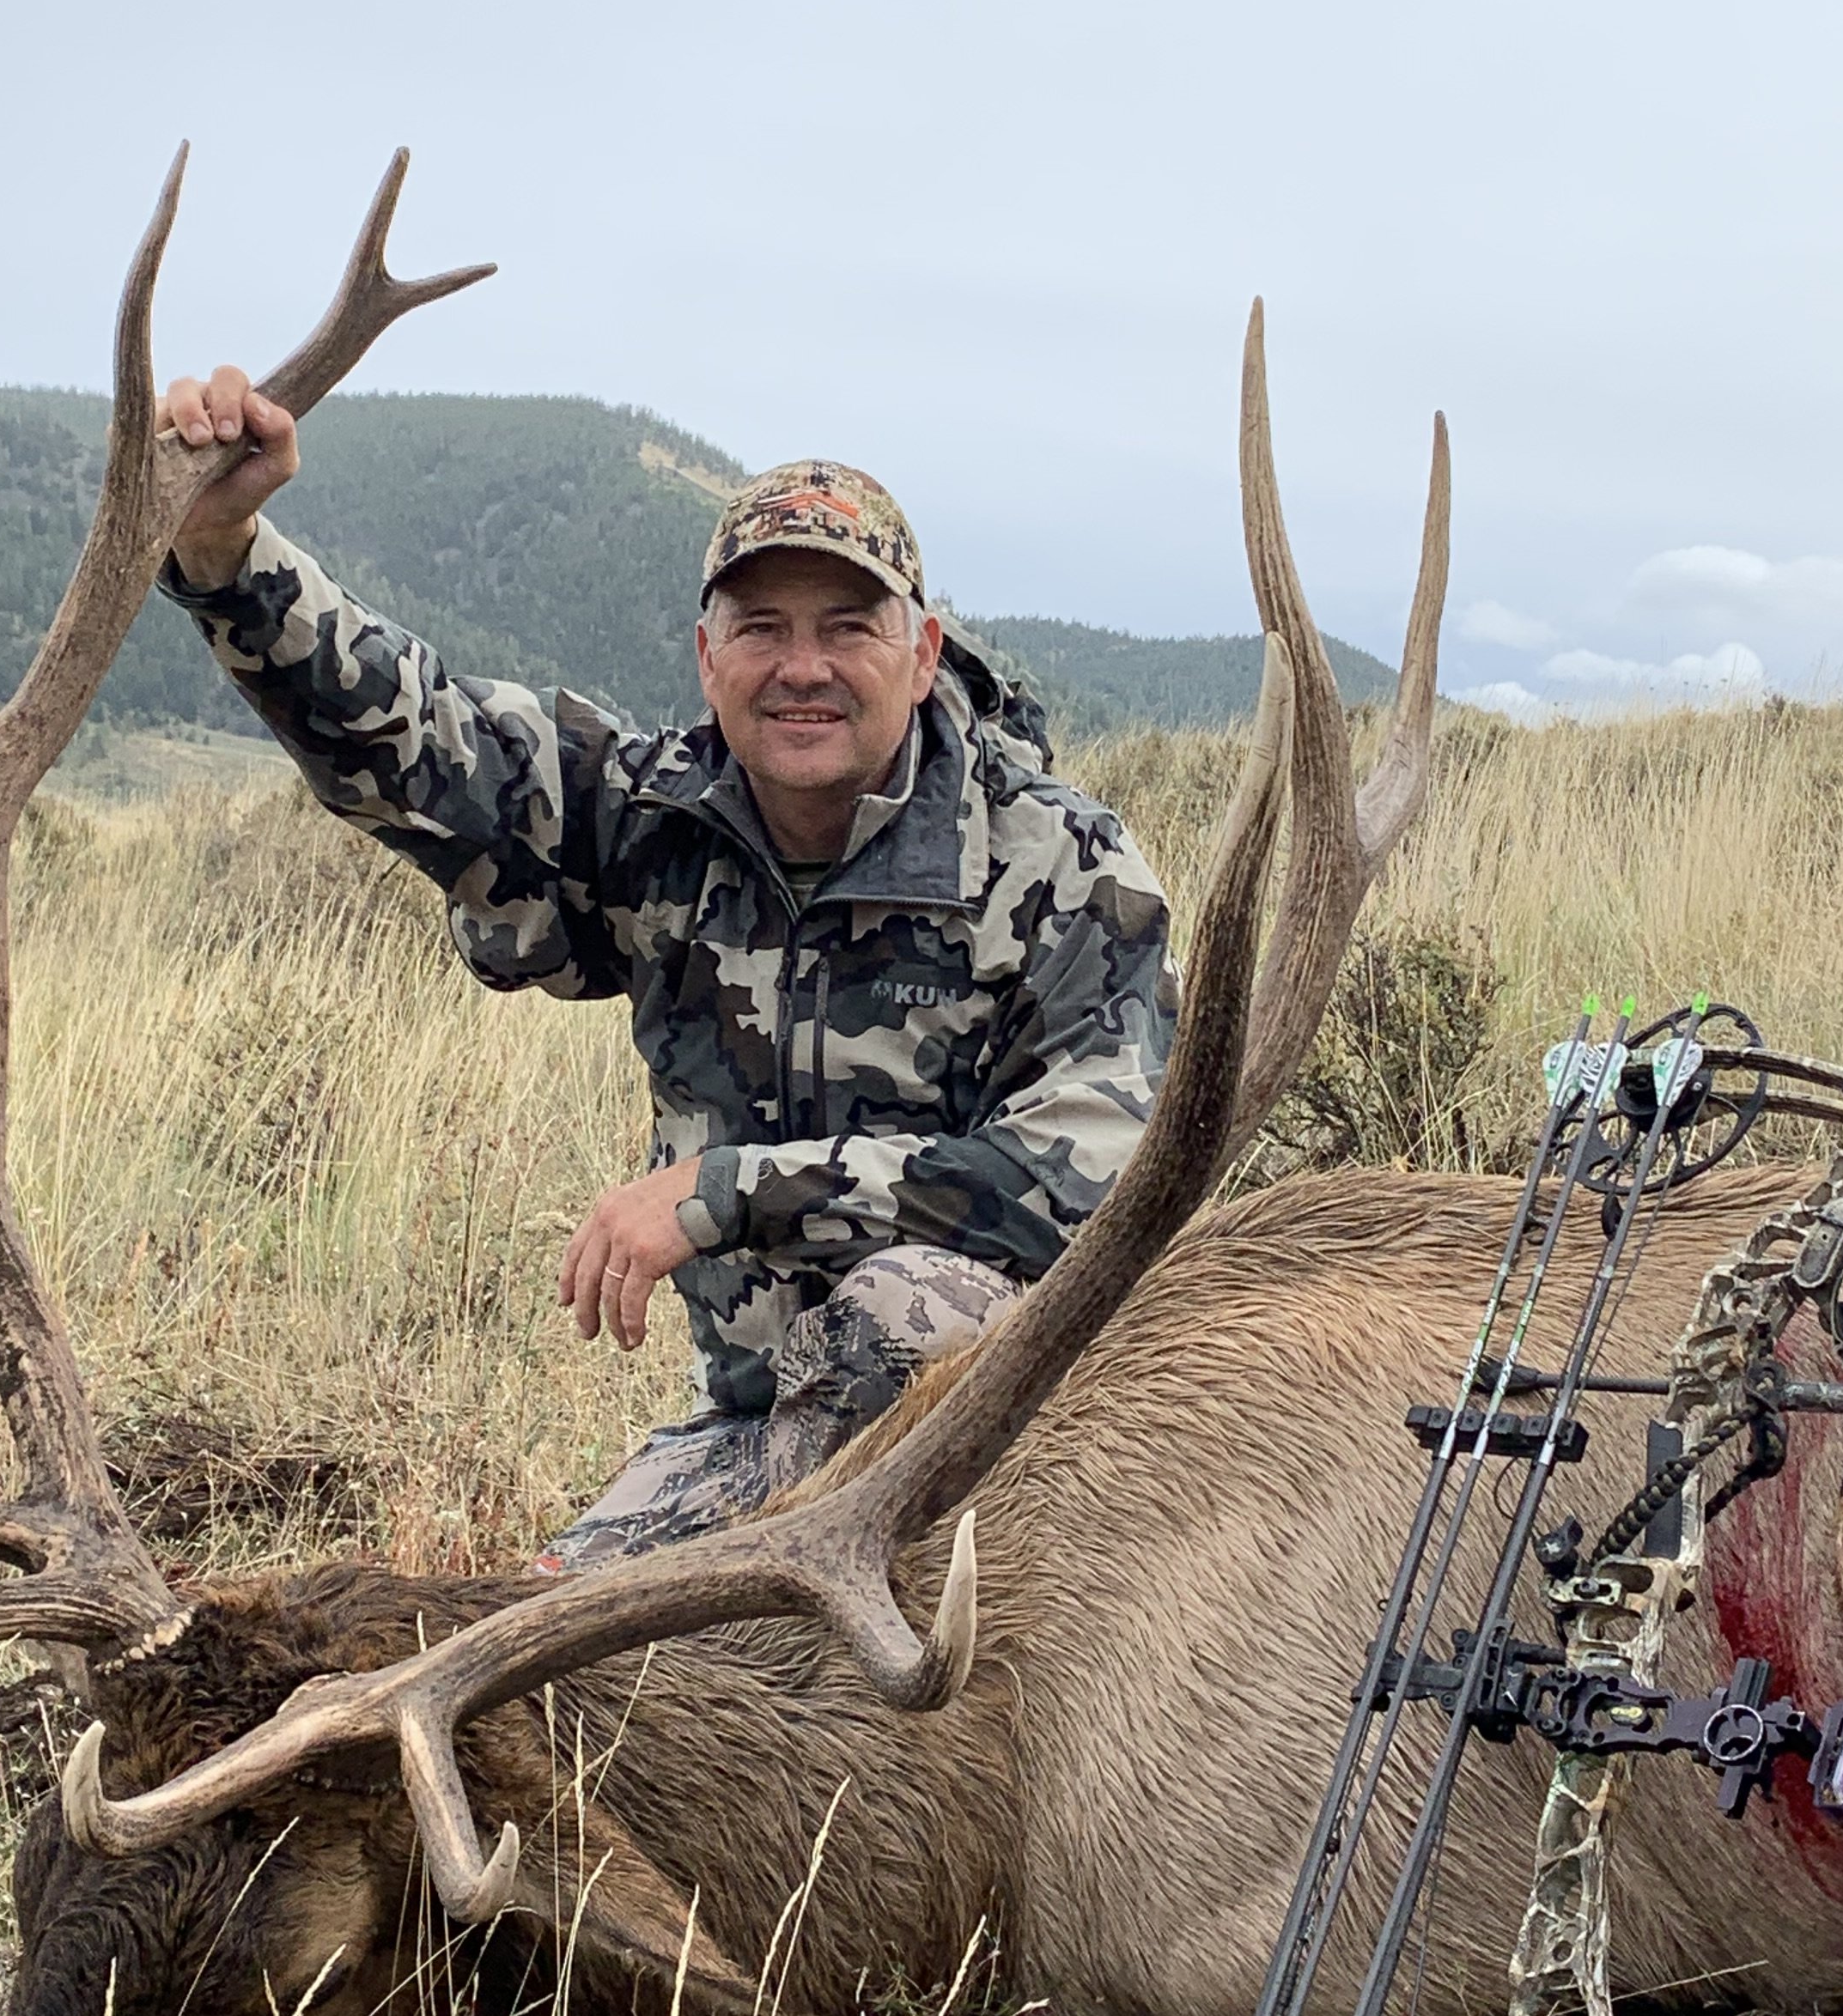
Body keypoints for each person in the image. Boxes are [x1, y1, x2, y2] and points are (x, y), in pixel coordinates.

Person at [155, 366, 1177, 1564]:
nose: (803, 667)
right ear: (707, 657)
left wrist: (731, 1192)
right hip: (758, 1434)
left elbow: (1092, 1195)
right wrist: (227, 551)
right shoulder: (656, 817)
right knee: (531, 1658)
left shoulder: (1065, 868)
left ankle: (763, 1612)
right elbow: (420, 743)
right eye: (762, 630)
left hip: (1035, 1447)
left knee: (912, 1315)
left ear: (921, 651)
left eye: (849, 627)